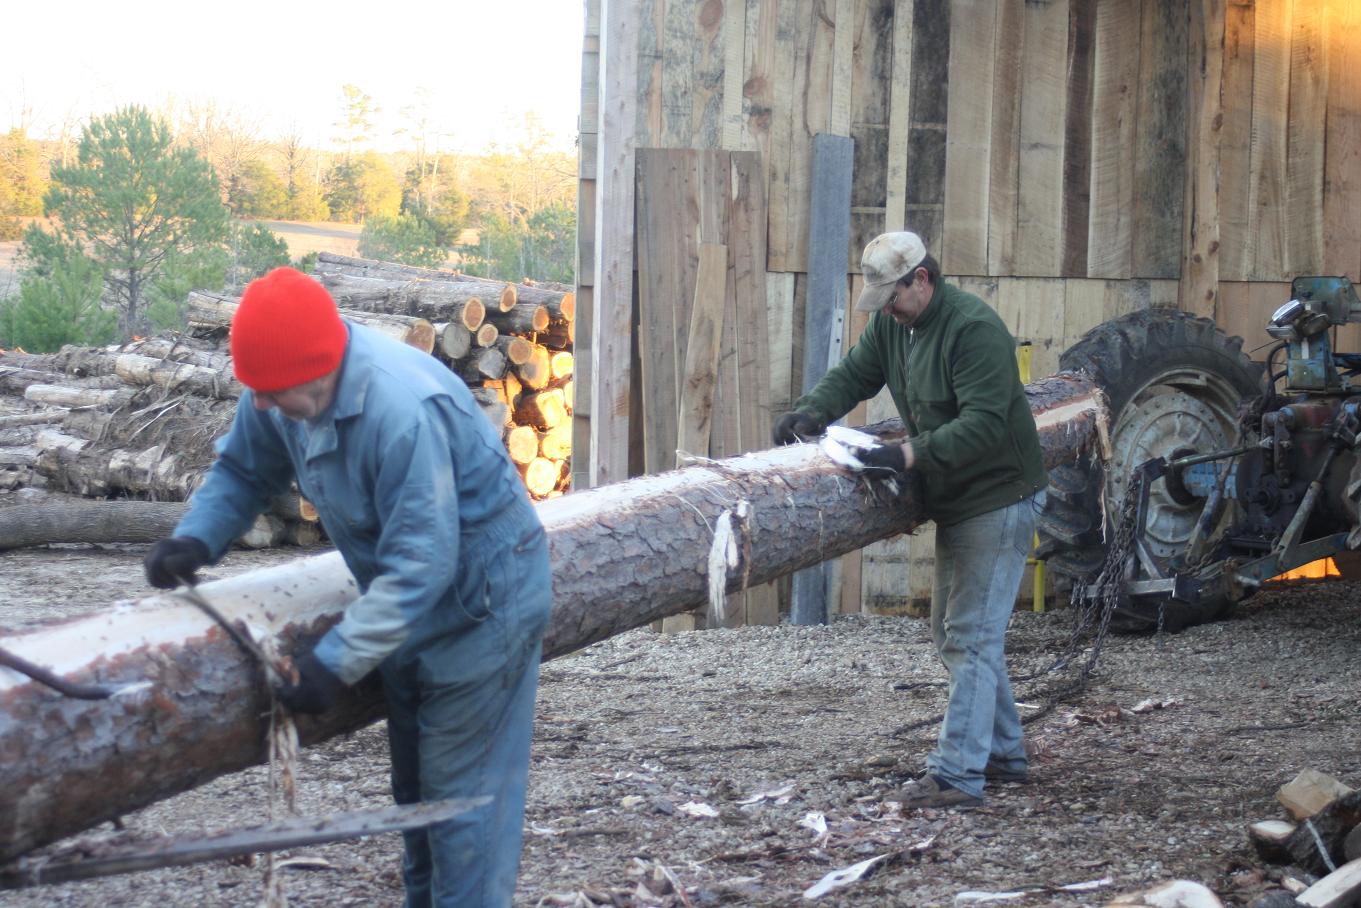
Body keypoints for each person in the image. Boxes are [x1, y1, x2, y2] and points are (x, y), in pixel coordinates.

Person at [144, 266, 551, 907]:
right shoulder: (282, 384)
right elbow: (244, 469)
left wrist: (334, 662)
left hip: (484, 603)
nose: (260, 406)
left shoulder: (402, 413)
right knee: (416, 801)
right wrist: (196, 539)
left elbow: (421, 565)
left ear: (318, 372)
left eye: (271, 394)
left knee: (461, 812)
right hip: (408, 598)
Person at [773, 231, 1046, 809]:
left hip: (999, 494)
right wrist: (811, 411)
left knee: (971, 635)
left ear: (921, 279)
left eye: (892, 298)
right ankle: (1003, 753)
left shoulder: (974, 330)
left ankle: (957, 776)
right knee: (953, 633)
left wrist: (904, 455)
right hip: (959, 497)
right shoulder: (895, 325)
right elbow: (856, 373)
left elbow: (985, 425)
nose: (888, 311)